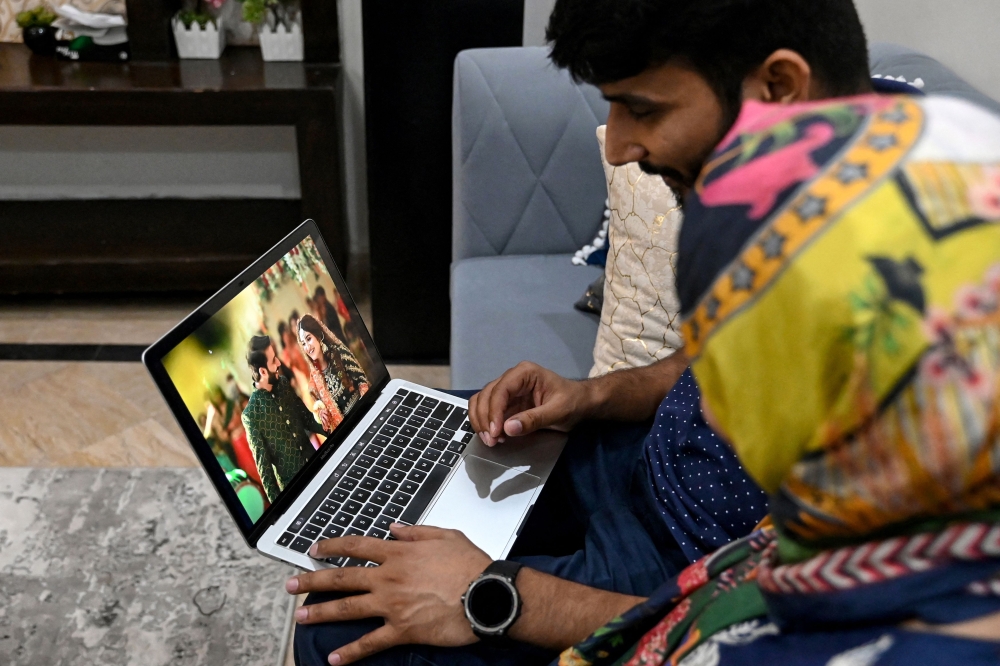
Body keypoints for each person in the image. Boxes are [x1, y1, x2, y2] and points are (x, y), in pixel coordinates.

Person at [287, 1, 995, 664]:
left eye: (642, 108)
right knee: (431, 456)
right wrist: (591, 398)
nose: (620, 146)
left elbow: (753, 633)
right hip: (643, 460)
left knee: (343, 628)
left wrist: (487, 594)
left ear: (778, 86)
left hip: (683, 566)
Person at [242, 335, 330, 503]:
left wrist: (334, 429)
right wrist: (281, 511)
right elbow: (266, 473)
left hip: (318, 466)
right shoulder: (251, 415)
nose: (279, 364)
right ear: (262, 371)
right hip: (295, 492)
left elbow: (307, 419)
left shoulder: (282, 383)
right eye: (274, 360)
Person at [298, 313, 370, 432]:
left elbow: (362, 382)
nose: (307, 347)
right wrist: (322, 413)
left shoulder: (339, 354)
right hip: (347, 432)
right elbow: (319, 407)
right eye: (303, 343)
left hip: (365, 415)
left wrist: (365, 413)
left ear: (319, 335)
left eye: (309, 338)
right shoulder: (315, 381)